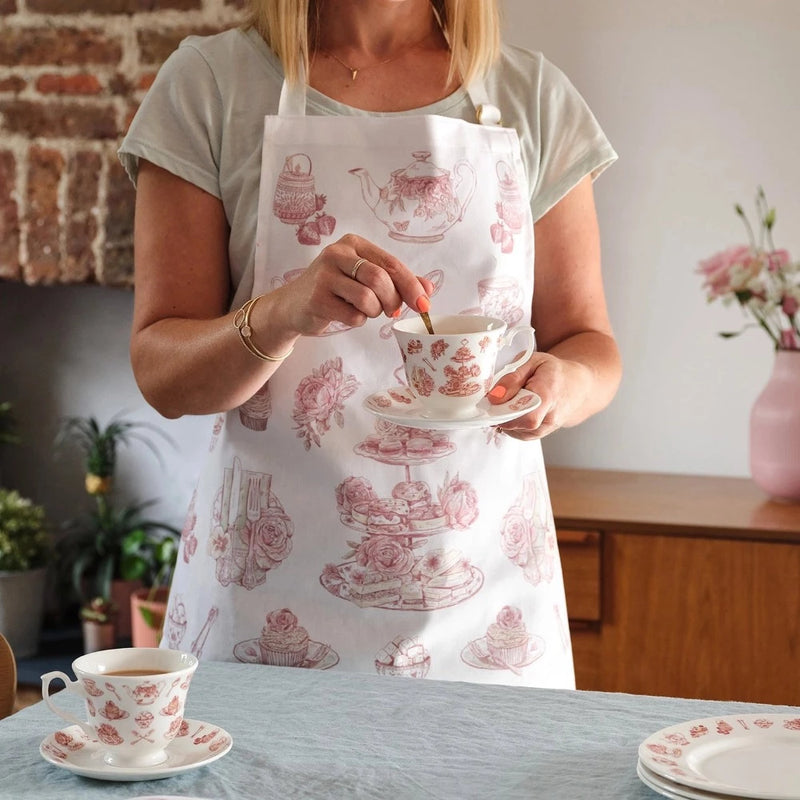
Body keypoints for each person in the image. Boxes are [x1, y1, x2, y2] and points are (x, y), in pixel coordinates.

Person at [119, 0, 621, 686]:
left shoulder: (530, 95)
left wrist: (566, 385)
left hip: (486, 613)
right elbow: (161, 371)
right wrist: (280, 313)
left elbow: (590, 344)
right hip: (267, 609)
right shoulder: (209, 85)